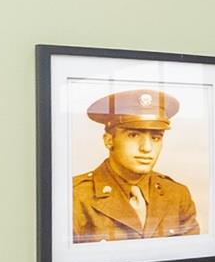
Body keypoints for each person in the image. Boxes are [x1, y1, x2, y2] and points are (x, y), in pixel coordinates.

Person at [71, 88, 200, 242]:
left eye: (156, 138)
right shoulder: (74, 196)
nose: (146, 148)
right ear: (109, 140)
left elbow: (189, 256)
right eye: (133, 135)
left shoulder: (177, 195)